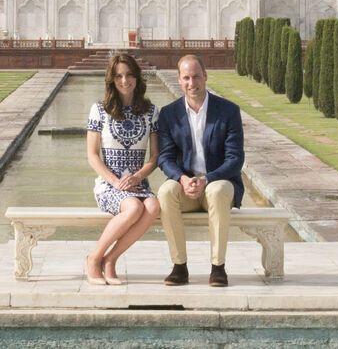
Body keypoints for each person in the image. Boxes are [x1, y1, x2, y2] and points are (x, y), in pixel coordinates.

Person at [154, 53, 245, 287]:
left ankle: (218, 267)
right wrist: (182, 179)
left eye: (196, 77)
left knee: (216, 191)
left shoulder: (228, 111)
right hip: (187, 187)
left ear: (205, 76)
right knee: (165, 192)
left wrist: (206, 179)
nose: (191, 83)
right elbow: (164, 158)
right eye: (186, 78)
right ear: (179, 79)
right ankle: (179, 266)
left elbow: (235, 159)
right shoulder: (169, 114)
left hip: (218, 182)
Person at [84, 51, 161, 284]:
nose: (124, 81)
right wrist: (114, 181)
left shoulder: (150, 112)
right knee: (133, 209)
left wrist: (138, 177)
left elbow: (155, 156)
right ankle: (94, 258)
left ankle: (110, 260)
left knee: (153, 205)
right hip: (109, 185)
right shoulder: (99, 110)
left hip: (138, 184)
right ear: (112, 80)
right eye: (118, 76)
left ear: (137, 78)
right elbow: (92, 155)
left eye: (129, 75)